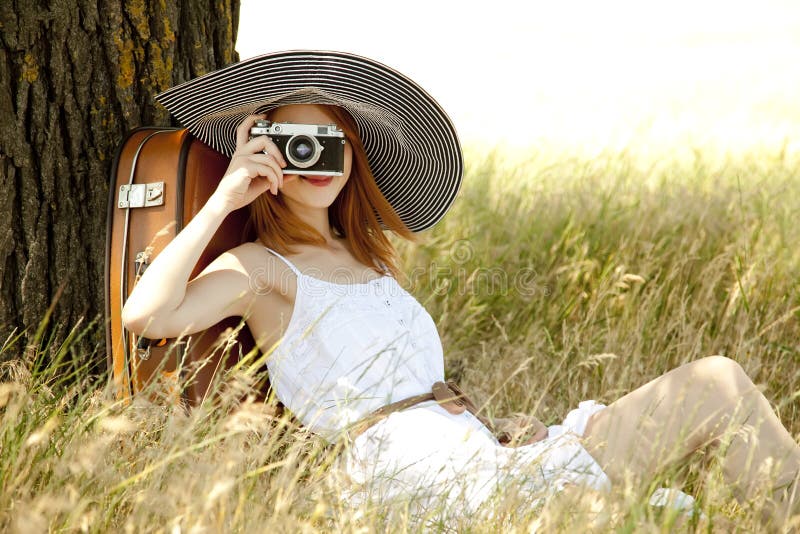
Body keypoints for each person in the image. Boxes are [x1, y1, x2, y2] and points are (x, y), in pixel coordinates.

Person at [122, 51, 800, 527]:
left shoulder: (369, 261)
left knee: (716, 381)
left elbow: (409, 383)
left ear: (355, 153)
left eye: (330, 142)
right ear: (264, 148)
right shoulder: (264, 268)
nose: (312, 159)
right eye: (292, 141)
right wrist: (226, 196)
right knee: (611, 518)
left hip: (479, 458)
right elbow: (146, 315)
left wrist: (488, 430)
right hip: (404, 481)